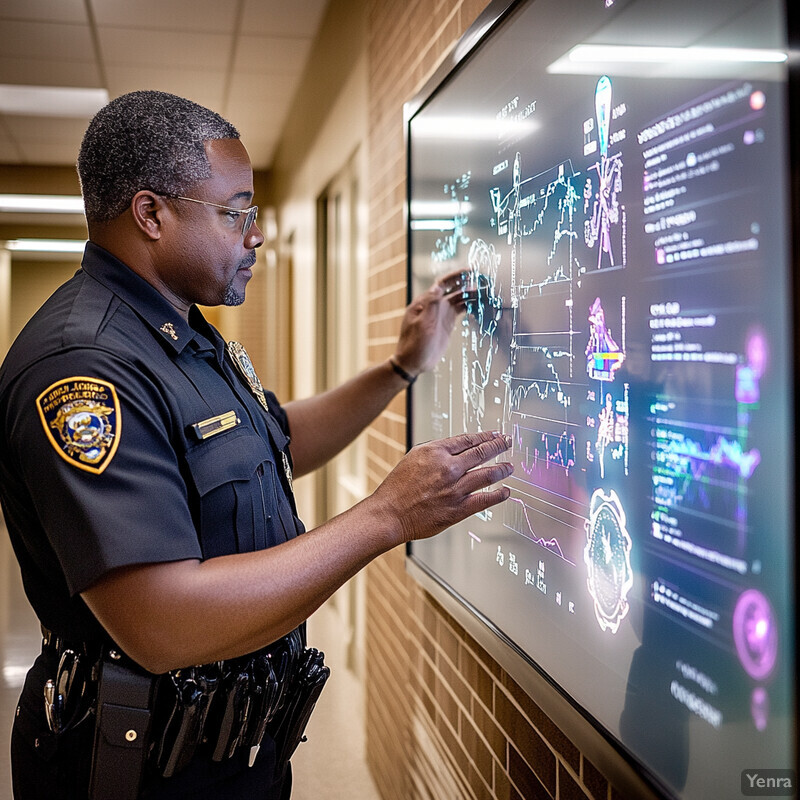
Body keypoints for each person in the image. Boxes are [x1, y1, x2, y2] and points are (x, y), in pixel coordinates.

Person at [0, 90, 512, 799]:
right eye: (236, 212)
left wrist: (399, 370)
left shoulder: (180, 331)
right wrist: (386, 516)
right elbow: (162, 621)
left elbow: (273, 444)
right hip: (138, 768)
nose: (256, 234)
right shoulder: (86, 367)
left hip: (227, 746)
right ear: (152, 214)